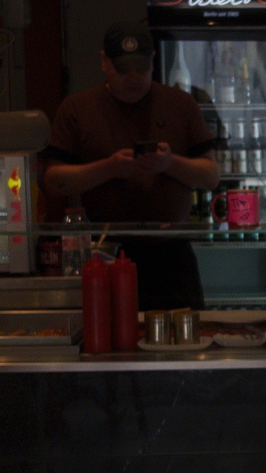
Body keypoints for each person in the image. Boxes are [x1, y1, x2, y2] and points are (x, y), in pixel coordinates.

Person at [44, 22, 219, 309]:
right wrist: (109, 168)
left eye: (141, 68)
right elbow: (53, 181)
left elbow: (211, 176)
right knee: (111, 345)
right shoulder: (77, 108)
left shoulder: (181, 103)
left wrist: (168, 163)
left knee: (183, 347)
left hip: (172, 254)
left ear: (153, 61)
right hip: (106, 252)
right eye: (123, 69)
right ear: (104, 62)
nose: (134, 77)